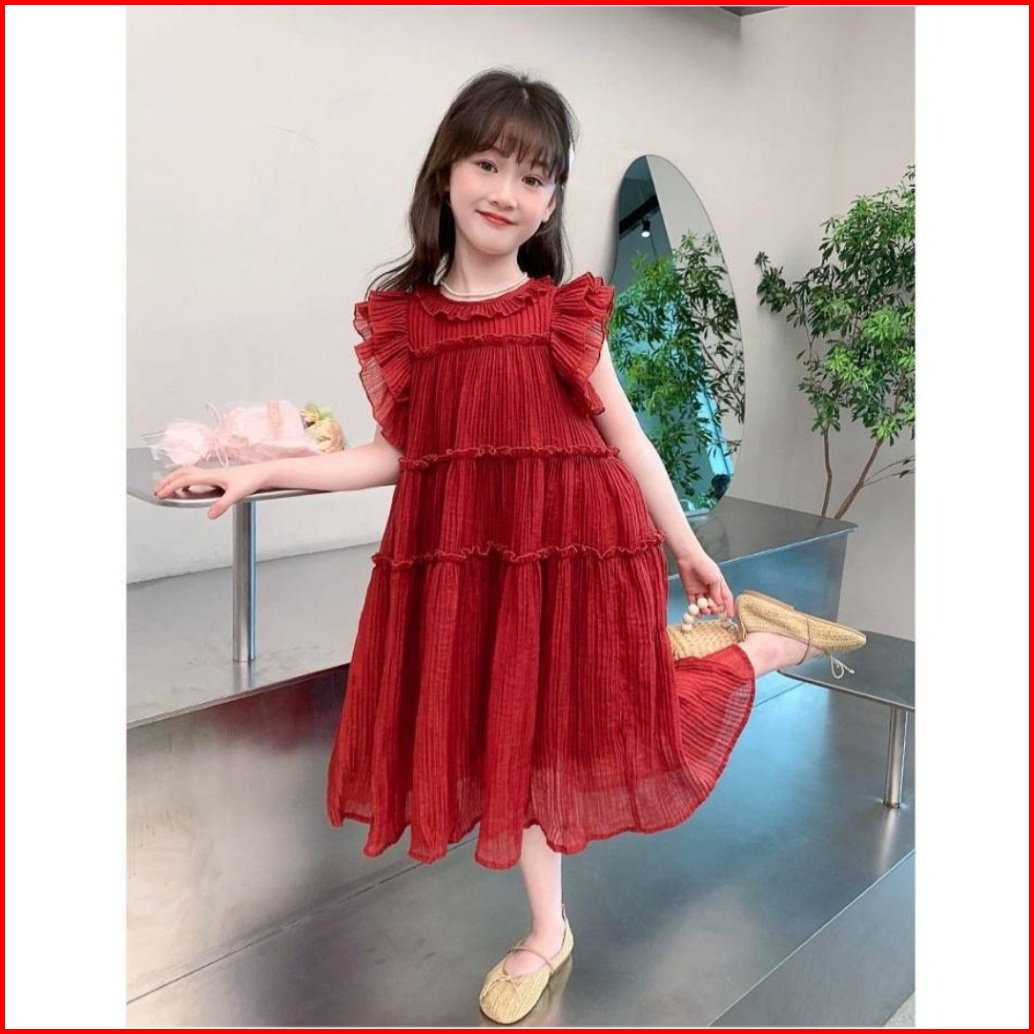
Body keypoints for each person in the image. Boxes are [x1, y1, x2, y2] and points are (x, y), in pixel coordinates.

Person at [153, 67, 865, 1026]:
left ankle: (758, 652)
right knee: (515, 743)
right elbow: (399, 454)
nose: (507, 192)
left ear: (553, 201)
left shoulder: (563, 314)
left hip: (578, 556)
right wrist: (261, 474)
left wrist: (688, 550)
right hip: (474, 566)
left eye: (534, 177)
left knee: (601, 733)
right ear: (446, 171)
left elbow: (631, 441)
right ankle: (554, 922)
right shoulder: (409, 321)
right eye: (489, 164)